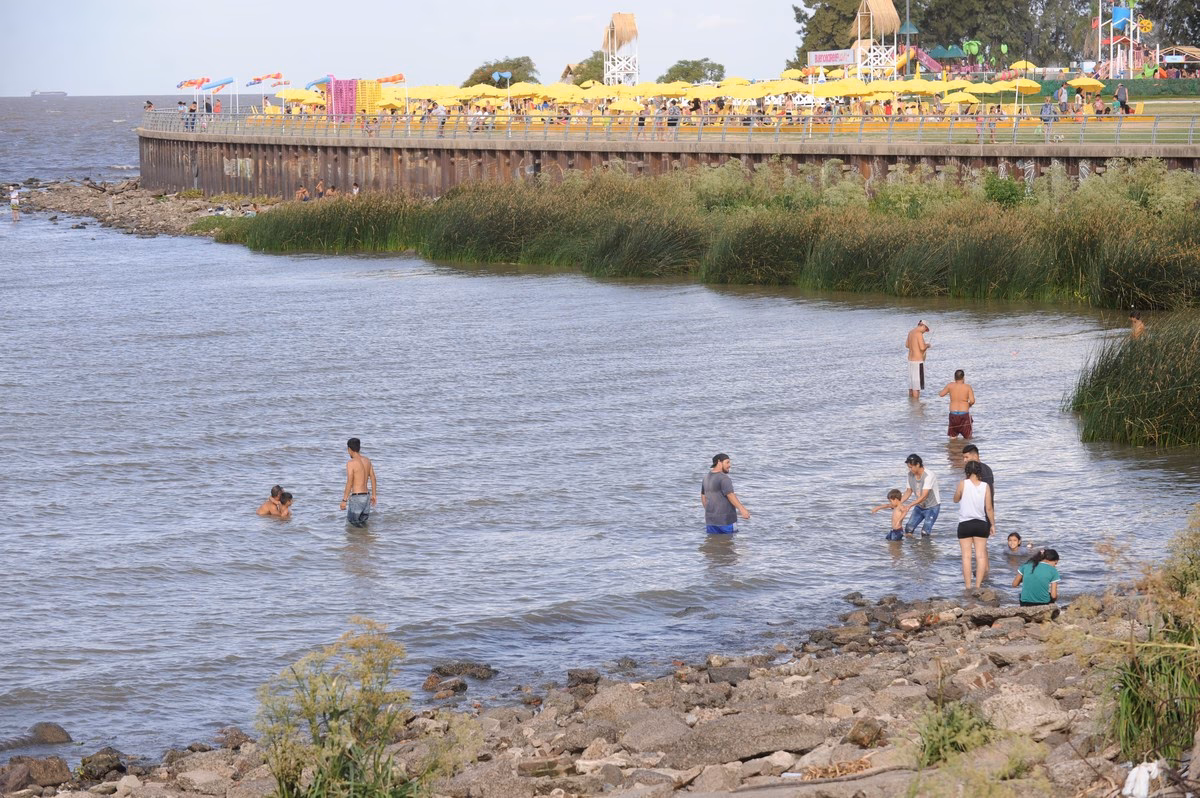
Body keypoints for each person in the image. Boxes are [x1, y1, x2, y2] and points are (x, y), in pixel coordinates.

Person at [954, 460, 996, 590]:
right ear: (979, 471)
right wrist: (993, 525)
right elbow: (988, 508)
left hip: (965, 523)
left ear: (966, 471)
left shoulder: (963, 484)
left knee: (966, 556)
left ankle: (968, 586)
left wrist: (960, 494)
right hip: (981, 523)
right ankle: (978, 586)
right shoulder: (985, 486)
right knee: (981, 556)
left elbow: (955, 499)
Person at [700, 453, 750, 534]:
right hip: (726, 521)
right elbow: (730, 495)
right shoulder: (724, 478)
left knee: (713, 543)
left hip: (711, 521)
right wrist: (742, 509)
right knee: (729, 544)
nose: (729, 465)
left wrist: (710, 512)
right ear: (719, 462)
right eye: (727, 462)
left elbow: (703, 497)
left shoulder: (706, 478)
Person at [899, 453, 940, 537]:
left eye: (911, 467)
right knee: (908, 529)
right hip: (919, 506)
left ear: (918, 464)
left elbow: (924, 496)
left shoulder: (928, 475)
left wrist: (909, 505)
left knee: (925, 533)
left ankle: (926, 549)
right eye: (908, 467)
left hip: (932, 507)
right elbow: (908, 491)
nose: (910, 469)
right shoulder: (910, 475)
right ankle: (912, 548)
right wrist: (899, 503)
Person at [340, 437, 378, 527]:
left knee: (353, 524)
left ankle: (360, 540)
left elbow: (350, 482)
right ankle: (365, 540)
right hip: (367, 497)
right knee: (363, 524)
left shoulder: (351, 463)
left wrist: (344, 500)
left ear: (349, 449)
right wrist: (374, 495)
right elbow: (373, 478)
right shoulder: (367, 460)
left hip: (357, 497)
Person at [939, 369, 976, 439]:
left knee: (952, 438)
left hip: (953, 414)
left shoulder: (950, 385)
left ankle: (953, 449)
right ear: (963, 378)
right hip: (964, 414)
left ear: (954, 377)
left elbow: (941, 394)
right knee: (968, 438)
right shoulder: (967, 387)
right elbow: (972, 401)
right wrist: (969, 405)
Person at [905, 320, 931, 397]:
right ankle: (917, 408)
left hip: (910, 361)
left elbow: (907, 345)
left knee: (911, 387)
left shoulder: (911, 332)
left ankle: (912, 406)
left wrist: (914, 346)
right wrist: (927, 345)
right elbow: (922, 347)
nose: (925, 332)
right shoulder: (919, 334)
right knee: (917, 388)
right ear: (923, 326)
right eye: (926, 330)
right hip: (918, 362)